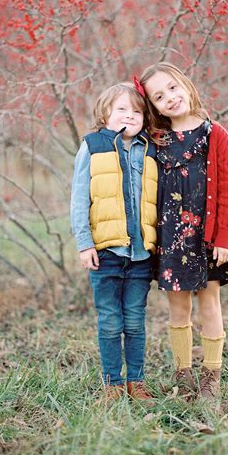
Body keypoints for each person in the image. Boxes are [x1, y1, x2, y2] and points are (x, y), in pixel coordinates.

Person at [137, 63, 228, 403]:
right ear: (152, 105)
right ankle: (183, 374)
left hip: (206, 238)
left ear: (186, 85)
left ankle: (212, 377)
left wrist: (225, 237)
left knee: (209, 304)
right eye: (159, 96)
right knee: (178, 308)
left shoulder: (215, 135)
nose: (170, 98)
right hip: (170, 239)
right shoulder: (155, 140)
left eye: (172, 88)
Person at [70, 83, 158, 402]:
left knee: (134, 320)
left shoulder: (149, 150)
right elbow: (80, 198)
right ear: (105, 114)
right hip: (105, 252)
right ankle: (112, 384)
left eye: (137, 111)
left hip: (139, 255)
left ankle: (136, 381)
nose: (130, 116)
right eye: (122, 109)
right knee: (110, 321)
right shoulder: (92, 146)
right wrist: (84, 243)